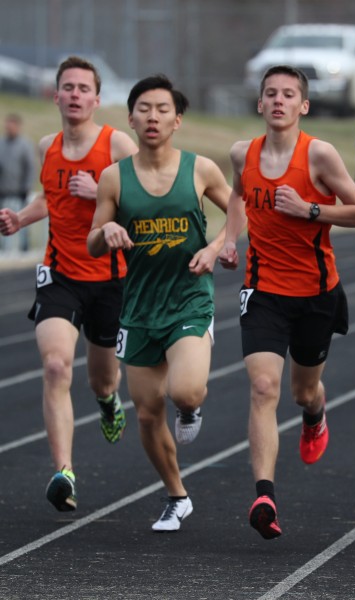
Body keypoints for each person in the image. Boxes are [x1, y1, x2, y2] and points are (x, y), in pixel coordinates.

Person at [218, 65, 355, 540]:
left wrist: (310, 210)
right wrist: (229, 238)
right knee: (264, 387)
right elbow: (237, 196)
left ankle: (314, 413)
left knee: (304, 390)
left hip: (315, 294)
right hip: (263, 290)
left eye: (288, 94)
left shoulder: (318, 154)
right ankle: (264, 495)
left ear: (303, 105)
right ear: (260, 103)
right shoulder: (242, 153)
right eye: (271, 93)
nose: (278, 100)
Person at [87, 74, 230, 531]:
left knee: (185, 391)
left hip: (188, 299)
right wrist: (107, 231)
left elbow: (241, 211)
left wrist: (216, 247)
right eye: (144, 109)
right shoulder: (114, 178)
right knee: (148, 413)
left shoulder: (200, 169)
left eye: (162, 109)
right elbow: (92, 242)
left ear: (177, 120)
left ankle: (190, 407)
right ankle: (176, 496)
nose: (153, 117)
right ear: (130, 119)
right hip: (139, 307)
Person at [0, 56, 138, 512]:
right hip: (60, 274)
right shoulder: (48, 145)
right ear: (56, 96)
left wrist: (101, 192)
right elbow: (50, 196)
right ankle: (64, 472)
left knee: (102, 379)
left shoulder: (116, 144)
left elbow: (146, 199)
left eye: (84, 88)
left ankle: (108, 401)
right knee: (57, 366)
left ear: (96, 99)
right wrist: (21, 219)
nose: (76, 95)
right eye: (69, 87)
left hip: (110, 278)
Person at [0, 113, 36, 253]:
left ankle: (23, 248)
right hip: (3, 191)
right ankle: (4, 250)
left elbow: (30, 168)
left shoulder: (25, 145)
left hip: (18, 192)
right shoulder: (2, 144)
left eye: (12, 125)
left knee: (20, 220)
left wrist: (26, 188)